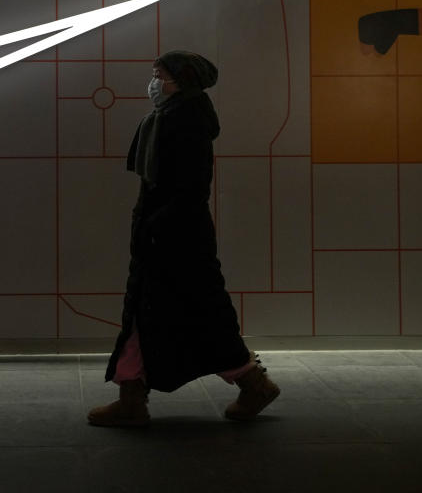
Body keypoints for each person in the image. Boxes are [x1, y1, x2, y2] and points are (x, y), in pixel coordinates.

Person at [87, 50, 280, 427]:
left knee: (184, 312)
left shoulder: (185, 121)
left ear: (181, 79)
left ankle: (250, 384)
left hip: (176, 238)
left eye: (160, 73)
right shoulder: (171, 117)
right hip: (172, 235)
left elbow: (191, 188)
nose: (154, 81)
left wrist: (156, 226)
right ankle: (136, 395)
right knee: (171, 312)